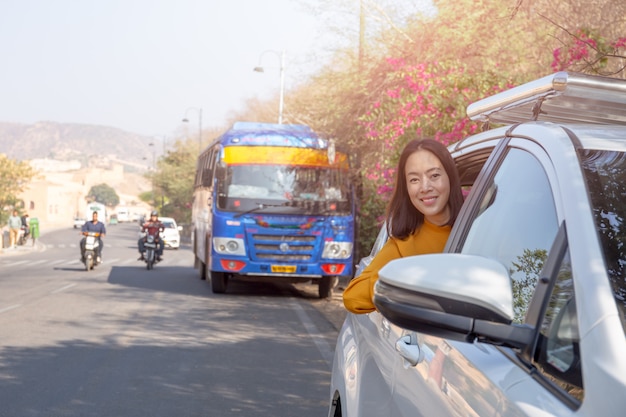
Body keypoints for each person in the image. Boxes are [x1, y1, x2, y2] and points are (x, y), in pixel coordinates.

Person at [343, 139, 465, 314]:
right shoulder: (404, 244)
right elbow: (352, 297)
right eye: (414, 180)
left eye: (434, 176)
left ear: (451, 178)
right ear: (406, 188)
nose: (425, 187)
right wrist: (404, 278)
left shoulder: (481, 224)